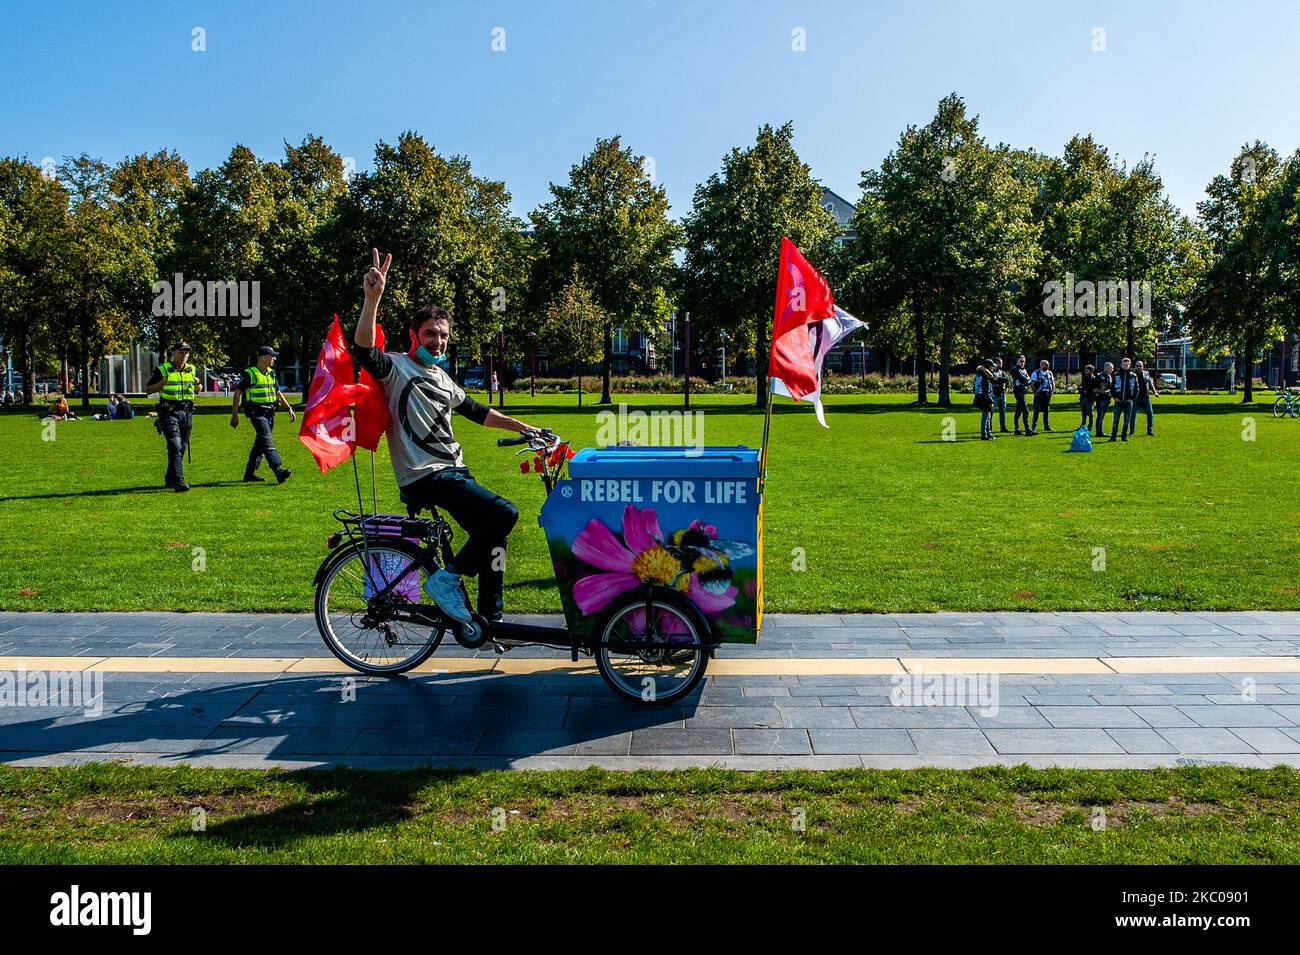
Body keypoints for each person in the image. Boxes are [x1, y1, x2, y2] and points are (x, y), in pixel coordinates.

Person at [351, 248, 545, 624]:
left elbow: (477, 411)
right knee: (505, 512)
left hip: (453, 471)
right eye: (429, 335)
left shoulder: (442, 378)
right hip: (425, 475)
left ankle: (491, 620)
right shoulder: (397, 368)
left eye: (442, 336)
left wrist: (523, 428)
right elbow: (363, 350)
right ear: (414, 335)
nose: (437, 342)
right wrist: (372, 299)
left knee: (493, 539)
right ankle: (446, 579)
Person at [231, 346, 296, 483]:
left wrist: (288, 408)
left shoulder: (272, 373)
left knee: (260, 445)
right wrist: (235, 415)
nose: (274, 358)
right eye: (272, 356)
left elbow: (277, 393)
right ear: (263, 357)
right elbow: (237, 392)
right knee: (267, 440)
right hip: (256, 413)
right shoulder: (250, 374)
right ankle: (278, 471)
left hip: (270, 413)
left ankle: (249, 474)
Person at [145, 342, 197, 491]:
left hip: (186, 413)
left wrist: (197, 385)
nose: (184, 355)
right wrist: (161, 383)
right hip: (169, 413)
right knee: (175, 445)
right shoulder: (163, 370)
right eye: (181, 352)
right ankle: (179, 481)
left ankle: (170, 477)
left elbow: (197, 389)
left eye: (186, 352)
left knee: (182, 447)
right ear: (173, 353)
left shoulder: (192, 369)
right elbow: (148, 390)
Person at [1109, 356, 1138, 442]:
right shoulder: (1116, 375)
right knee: (1115, 420)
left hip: (1128, 402)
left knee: (1126, 421)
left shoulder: (1133, 376)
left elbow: (1137, 389)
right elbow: (1112, 387)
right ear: (1121, 365)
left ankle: (1124, 436)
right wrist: (1114, 397)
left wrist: (1132, 399)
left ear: (1129, 365)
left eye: (1127, 365)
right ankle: (1113, 437)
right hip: (1118, 401)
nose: (1125, 366)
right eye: (1124, 365)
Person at [1132, 360, 1159, 436]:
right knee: (1133, 415)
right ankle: (1131, 431)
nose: (1139, 367)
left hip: (1146, 398)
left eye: (1140, 366)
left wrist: (1155, 392)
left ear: (1143, 367)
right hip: (1135, 399)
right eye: (1137, 366)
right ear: (1135, 367)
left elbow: (1150, 384)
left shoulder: (1146, 373)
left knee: (1150, 414)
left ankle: (1149, 431)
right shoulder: (1132, 375)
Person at [1030, 359, 1055, 433]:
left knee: (1046, 411)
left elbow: (1052, 382)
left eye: (1048, 365)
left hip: (1047, 394)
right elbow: (1032, 383)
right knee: (1037, 410)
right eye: (1045, 365)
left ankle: (1046, 426)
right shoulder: (1036, 373)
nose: (1047, 366)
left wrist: (1052, 391)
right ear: (1041, 365)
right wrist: (1035, 392)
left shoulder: (1050, 373)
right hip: (1039, 394)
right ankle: (1033, 426)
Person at [973, 359, 996, 440]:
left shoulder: (979, 374)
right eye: (992, 365)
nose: (993, 367)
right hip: (984, 398)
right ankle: (984, 434)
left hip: (979, 397)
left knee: (987, 416)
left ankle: (988, 434)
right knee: (986, 416)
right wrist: (991, 401)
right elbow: (986, 390)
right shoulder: (985, 376)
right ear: (988, 366)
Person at [1011, 355, 1032, 435]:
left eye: (1023, 361)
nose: (1023, 363)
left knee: (1018, 411)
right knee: (1025, 410)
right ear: (1017, 361)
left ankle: (1017, 429)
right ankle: (1027, 429)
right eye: (1021, 361)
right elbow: (1024, 380)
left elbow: (1028, 379)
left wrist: (1027, 380)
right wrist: (1027, 380)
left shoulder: (1023, 370)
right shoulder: (1015, 369)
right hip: (1018, 392)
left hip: (1023, 391)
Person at [1092, 362, 1114, 437]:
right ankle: (1098, 432)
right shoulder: (1099, 376)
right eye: (1111, 368)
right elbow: (1094, 389)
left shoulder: (1110, 376)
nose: (1112, 369)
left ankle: (1100, 431)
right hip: (1100, 399)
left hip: (1107, 399)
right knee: (1100, 415)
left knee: (1102, 415)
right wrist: (1104, 392)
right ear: (1107, 368)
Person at [992, 358, 1010, 433]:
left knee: (1002, 412)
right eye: (1000, 363)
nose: (1001, 365)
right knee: (991, 412)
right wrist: (1000, 380)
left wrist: (999, 379)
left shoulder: (1001, 372)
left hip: (1002, 395)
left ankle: (1003, 427)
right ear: (996, 363)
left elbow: (1007, 379)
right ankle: (989, 427)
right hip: (994, 395)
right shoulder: (991, 372)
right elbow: (992, 380)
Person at [1079, 364, 1096, 431]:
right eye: (1085, 371)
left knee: (1090, 414)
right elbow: (1082, 385)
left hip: (1089, 398)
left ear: (1091, 371)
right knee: (1083, 414)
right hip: (1083, 397)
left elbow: (1093, 389)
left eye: (1087, 371)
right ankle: (1082, 426)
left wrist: (1086, 390)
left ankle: (1090, 427)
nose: (1086, 372)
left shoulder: (1093, 379)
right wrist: (1081, 388)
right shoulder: (1085, 377)